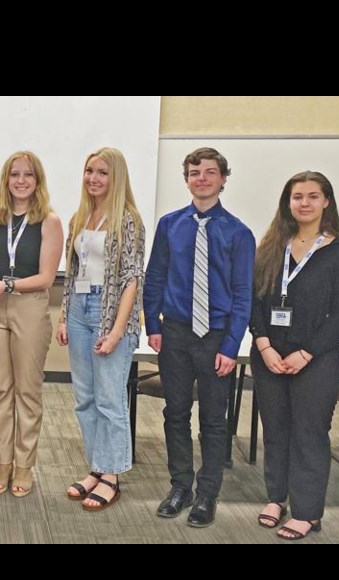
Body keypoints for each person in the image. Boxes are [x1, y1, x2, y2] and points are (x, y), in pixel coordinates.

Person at [143, 147, 255, 528]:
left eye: (210, 172)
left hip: (215, 337)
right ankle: (181, 486)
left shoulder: (239, 233)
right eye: (194, 172)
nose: (202, 178)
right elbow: (155, 276)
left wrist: (231, 345)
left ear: (224, 178)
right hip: (174, 332)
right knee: (175, 412)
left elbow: (243, 295)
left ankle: (208, 492)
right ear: (186, 178)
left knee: (213, 419)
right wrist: (153, 326)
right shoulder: (170, 225)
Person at [250, 171, 339, 540]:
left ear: (326, 201)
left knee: (309, 434)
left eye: (313, 196)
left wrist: (307, 352)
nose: (305, 203)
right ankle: (276, 498)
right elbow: (253, 301)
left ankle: (308, 511)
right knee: (276, 430)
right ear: (288, 202)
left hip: (316, 360)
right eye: (298, 196)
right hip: (269, 356)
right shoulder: (271, 246)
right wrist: (263, 344)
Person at [56, 148, 144, 510]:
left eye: (102, 172)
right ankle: (97, 466)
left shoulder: (128, 220)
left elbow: (132, 278)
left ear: (116, 177)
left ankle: (112, 475)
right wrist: (63, 316)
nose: (93, 178)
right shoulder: (81, 216)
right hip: (78, 310)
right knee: (86, 398)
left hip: (109, 315)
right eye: (89, 170)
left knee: (110, 399)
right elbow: (72, 272)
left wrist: (117, 329)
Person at [0, 151, 62, 498]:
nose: (21, 180)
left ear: (37, 180)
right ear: (6, 179)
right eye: (15, 174)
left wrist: (9, 284)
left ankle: (24, 466)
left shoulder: (50, 221)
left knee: (27, 391)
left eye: (28, 175)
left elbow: (45, 277)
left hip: (30, 307)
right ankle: (2, 462)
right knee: (0, 389)